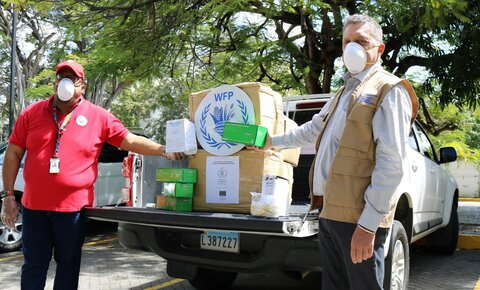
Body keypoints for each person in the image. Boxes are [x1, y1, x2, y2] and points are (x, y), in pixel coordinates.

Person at [253, 14, 418, 289]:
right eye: (346, 42)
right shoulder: (343, 92)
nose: (352, 48)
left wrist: (368, 225)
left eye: (361, 41)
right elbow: (313, 129)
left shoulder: (389, 89)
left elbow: (391, 164)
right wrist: (273, 141)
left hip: (358, 218)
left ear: (379, 49)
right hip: (330, 212)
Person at [0, 60, 183, 290]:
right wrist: (8, 196)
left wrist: (162, 149)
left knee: (68, 267)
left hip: (72, 212)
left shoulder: (99, 116)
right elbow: (13, 152)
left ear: (82, 87)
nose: (65, 83)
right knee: (33, 266)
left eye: (72, 79)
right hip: (35, 209)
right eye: (61, 78)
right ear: (55, 83)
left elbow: (130, 140)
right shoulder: (32, 113)